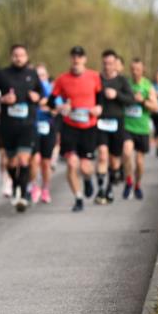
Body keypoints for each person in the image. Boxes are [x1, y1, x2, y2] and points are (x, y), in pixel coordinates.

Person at [0, 44, 42, 211]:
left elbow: (42, 94)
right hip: (8, 126)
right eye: (15, 55)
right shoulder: (2, 74)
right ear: (11, 57)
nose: (19, 58)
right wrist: (2, 99)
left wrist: (36, 96)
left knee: (24, 159)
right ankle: (16, 184)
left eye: (22, 55)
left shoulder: (32, 74)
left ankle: (23, 195)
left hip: (28, 124)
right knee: (11, 162)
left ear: (26, 56)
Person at [47, 46, 103, 212]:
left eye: (79, 57)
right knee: (72, 164)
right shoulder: (62, 79)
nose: (76, 60)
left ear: (84, 59)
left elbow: (101, 98)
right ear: (71, 59)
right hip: (70, 127)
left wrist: (99, 108)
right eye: (74, 57)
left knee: (86, 167)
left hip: (89, 127)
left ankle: (87, 180)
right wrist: (61, 106)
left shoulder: (94, 76)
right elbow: (51, 101)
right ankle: (78, 198)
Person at [95, 50, 135, 205]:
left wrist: (116, 94)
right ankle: (100, 190)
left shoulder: (122, 81)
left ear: (115, 64)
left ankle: (110, 187)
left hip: (117, 123)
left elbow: (131, 100)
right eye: (105, 63)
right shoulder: (97, 79)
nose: (107, 66)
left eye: (110, 63)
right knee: (103, 155)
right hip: (101, 123)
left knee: (114, 160)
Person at [122, 58, 158, 200]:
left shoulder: (147, 86)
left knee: (139, 161)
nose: (134, 72)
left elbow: (156, 107)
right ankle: (129, 181)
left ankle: (137, 185)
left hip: (143, 128)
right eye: (132, 69)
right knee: (126, 152)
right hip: (127, 126)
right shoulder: (126, 84)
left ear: (143, 70)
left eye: (137, 69)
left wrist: (142, 101)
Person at [30, 63, 57, 204]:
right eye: (37, 75)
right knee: (33, 160)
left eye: (42, 75)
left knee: (45, 162)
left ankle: (45, 188)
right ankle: (34, 186)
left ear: (46, 76)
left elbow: (56, 108)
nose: (40, 78)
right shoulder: (31, 89)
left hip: (48, 127)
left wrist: (47, 106)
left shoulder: (52, 90)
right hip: (33, 128)